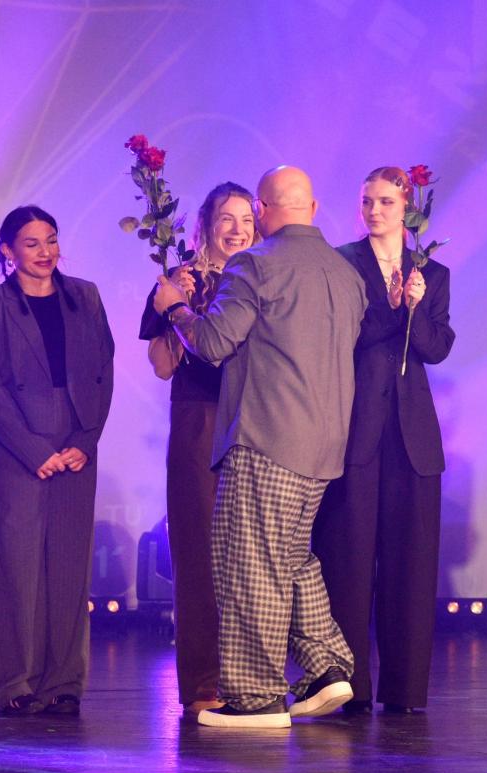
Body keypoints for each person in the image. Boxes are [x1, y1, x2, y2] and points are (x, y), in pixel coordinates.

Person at [153, 166, 366, 728]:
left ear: (264, 211)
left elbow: (213, 343)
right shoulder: (347, 273)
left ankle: (255, 697)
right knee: (292, 557)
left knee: (248, 564)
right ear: (312, 209)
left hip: (267, 435)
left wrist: (175, 308)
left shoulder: (255, 264)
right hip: (325, 445)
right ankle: (327, 667)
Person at [311, 166, 455, 714]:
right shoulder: (342, 262)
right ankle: (349, 687)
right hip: (354, 429)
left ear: (407, 207)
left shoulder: (431, 271)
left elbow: (437, 347)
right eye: (367, 201)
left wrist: (414, 308)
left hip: (412, 436)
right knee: (347, 561)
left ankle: (405, 690)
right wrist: (394, 310)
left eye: (386, 202)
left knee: (410, 564)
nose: (374, 210)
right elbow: (342, 336)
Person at [0, 206, 114, 717]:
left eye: (51, 240)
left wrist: (86, 440)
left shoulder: (85, 296)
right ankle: (16, 682)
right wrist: (33, 450)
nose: (45, 251)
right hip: (19, 450)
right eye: (31, 243)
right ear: (7, 251)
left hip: (76, 447)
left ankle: (64, 682)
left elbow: (102, 372)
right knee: (16, 569)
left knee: (69, 569)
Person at [138, 182, 258, 716]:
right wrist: (176, 307)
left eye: (247, 220)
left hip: (255, 424)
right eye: (227, 218)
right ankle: (204, 681)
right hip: (199, 425)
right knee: (200, 557)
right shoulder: (177, 280)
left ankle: (251, 677)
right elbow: (163, 367)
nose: (238, 230)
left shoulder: (263, 279)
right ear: (205, 225)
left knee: (252, 558)